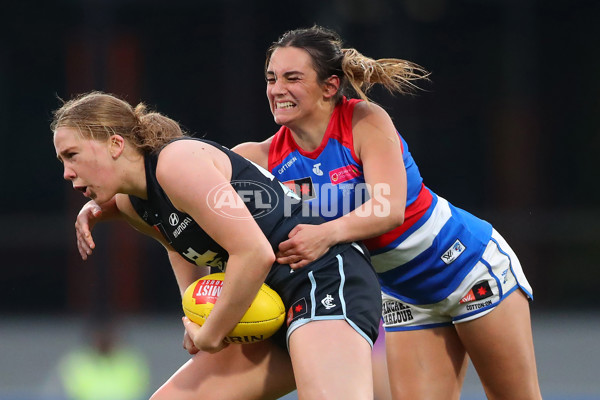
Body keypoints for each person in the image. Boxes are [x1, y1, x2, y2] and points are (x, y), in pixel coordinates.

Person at [73, 26, 542, 399]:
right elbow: (176, 201)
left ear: (330, 85)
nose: (277, 89)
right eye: (271, 79)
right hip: (400, 293)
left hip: (464, 264)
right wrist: (102, 204)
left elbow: (389, 208)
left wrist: (326, 234)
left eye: (292, 78)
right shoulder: (259, 156)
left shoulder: (364, 120)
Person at [52, 91, 383, 400]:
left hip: (320, 279)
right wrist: (197, 314)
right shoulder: (131, 204)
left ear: (115, 144)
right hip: (265, 298)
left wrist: (211, 333)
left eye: (72, 155)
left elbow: (254, 253)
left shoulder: (177, 162)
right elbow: (177, 244)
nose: (66, 173)